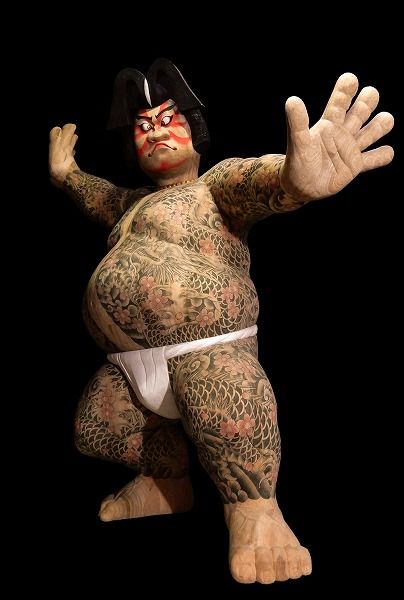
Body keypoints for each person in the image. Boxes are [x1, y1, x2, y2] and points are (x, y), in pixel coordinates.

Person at [49, 58, 394, 585]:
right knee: (95, 427)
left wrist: (296, 180)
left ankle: (257, 514)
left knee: (230, 414)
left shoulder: (214, 186)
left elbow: (259, 181)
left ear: (196, 132)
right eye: (143, 126)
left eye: (168, 120)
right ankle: (166, 483)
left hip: (211, 352)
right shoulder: (130, 205)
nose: (155, 131)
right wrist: (67, 176)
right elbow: (99, 196)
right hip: (128, 365)